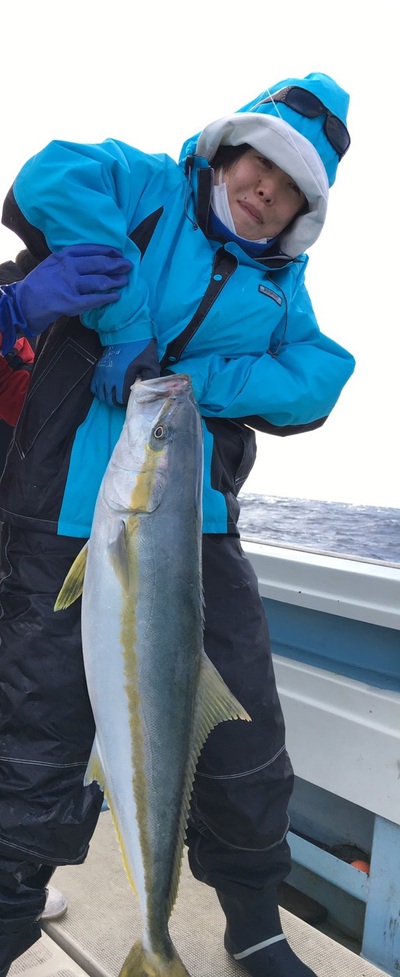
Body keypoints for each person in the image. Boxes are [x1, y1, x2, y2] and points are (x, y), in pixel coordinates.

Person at [0, 72, 355, 977]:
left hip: (193, 530)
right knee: (36, 737)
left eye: (290, 190)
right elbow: (49, 178)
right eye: (259, 162)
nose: (265, 189)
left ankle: (252, 922)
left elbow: (321, 373)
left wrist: (196, 387)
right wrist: (124, 322)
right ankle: (5, 915)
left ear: (296, 218)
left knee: (243, 738)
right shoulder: (146, 186)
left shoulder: (282, 295)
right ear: (226, 151)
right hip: (60, 513)